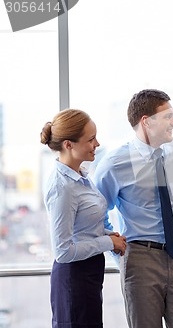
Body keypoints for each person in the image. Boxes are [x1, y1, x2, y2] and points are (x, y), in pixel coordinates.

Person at [93, 89, 173, 328]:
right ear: (147, 121)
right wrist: (120, 254)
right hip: (141, 261)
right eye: (168, 116)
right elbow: (97, 218)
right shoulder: (114, 163)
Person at [41, 109, 127, 328]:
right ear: (68, 145)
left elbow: (82, 226)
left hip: (88, 274)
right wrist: (108, 242)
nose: (97, 144)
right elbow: (63, 251)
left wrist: (108, 234)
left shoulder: (81, 176)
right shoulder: (63, 187)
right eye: (90, 139)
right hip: (74, 277)